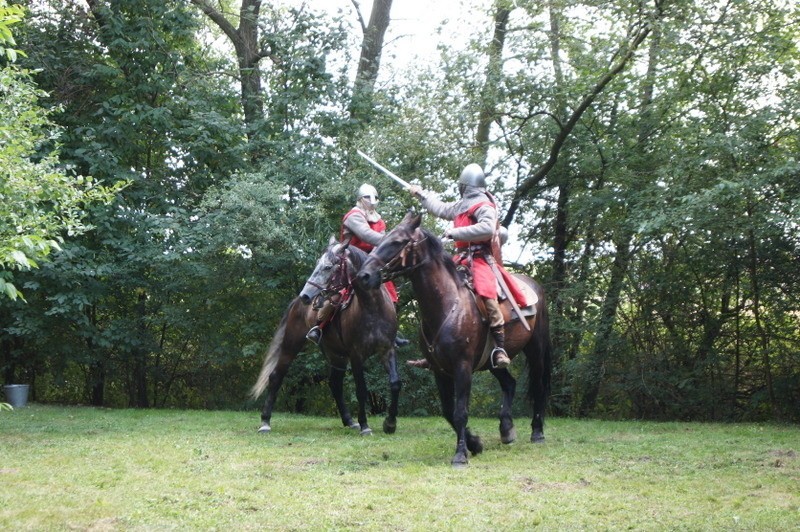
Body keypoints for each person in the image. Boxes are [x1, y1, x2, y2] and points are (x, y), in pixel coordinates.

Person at [406, 164, 527, 369]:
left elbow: (487, 228)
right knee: (437, 288)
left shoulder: (484, 205)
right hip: (460, 259)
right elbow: (442, 208)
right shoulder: (463, 204)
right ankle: (435, 353)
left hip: (481, 259)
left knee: (487, 296)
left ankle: (499, 348)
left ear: (465, 185)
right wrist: (422, 195)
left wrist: (455, 233)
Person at [306, 184, 409, 347]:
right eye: (367, 198)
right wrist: (395, 240)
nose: (371, 201)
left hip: (371, 261)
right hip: (350, 260)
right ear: (360, 199)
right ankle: (319, 327)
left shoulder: (379, 220)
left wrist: (385, 249)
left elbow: (379, 241)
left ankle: (391, 333)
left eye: (373, 198)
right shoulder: (353, 216)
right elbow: (367, 235)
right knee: (338, 293)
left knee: (390, 293)